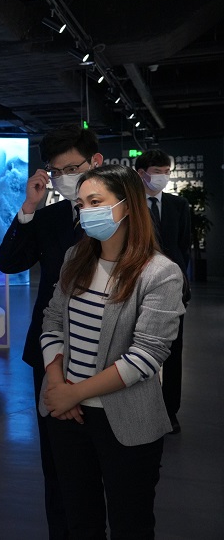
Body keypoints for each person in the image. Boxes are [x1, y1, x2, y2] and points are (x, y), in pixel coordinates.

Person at [39, 164, 183, 539]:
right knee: (79, 521)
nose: (86, 211)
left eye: (96, 202)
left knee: (130, 524)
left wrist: (75, 393)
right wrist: (58, 385)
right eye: (81, 204)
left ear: (127, 205)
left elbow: (146, 355)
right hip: (67, 416)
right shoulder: (76, 257)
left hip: (125, 420)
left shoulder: (160, 272)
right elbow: (52, 321)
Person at [0, 124, 102, 540]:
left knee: (103, 459)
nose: (64, 178)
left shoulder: (122, 214)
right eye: (56, 172)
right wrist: (29, 206)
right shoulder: (50, 216)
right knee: (57, 460)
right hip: (50, 353)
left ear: (95, 162)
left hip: (106, 355)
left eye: (72, 168)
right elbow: (9, 262)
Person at [134, 148, 190, 433]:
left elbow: (183, 246)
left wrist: (180, 280)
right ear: (142, 174)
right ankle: (139, 407)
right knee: (135, 347)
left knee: (173, 349)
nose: (163, 177)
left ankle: (170, 411)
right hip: (138, 284)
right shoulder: (130, 205)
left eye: (167, 172)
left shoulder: (178, 205)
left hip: (173, 286)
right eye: (157, 172)